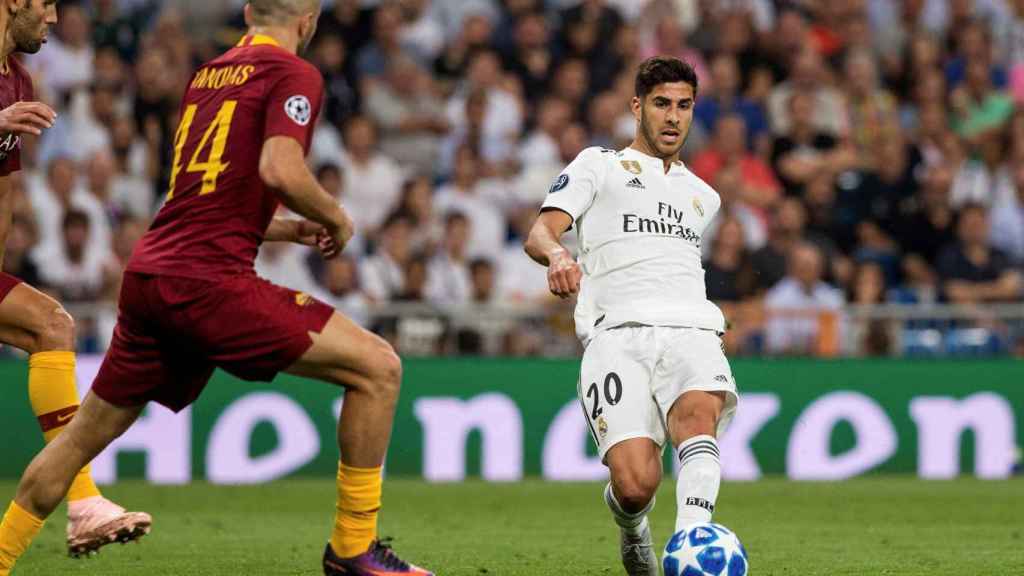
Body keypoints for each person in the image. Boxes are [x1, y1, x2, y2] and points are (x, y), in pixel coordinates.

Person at [0, 1, 433, 575]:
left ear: (251, 11)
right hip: (208, 283)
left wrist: (283, 226)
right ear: (308, 22)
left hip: (152, 274)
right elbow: (282, 170)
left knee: (76, 444)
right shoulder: (293, 73)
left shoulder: (207, 76)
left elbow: (200, 198)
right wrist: (334, 217)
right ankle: (353, 549)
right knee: (377, 368)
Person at [524, 56, 740, 576]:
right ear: (637, 107)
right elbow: (540, 232)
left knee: (696, 421)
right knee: (635, 483)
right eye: (662, 104)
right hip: (617, 334)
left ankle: (690, 547)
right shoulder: (598, 164)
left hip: (692, 329)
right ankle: (633, 527)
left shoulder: (703, 196)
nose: (673, 117)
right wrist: (558, 256)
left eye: (684, 106)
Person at [0, 0, 150, 562]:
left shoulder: (17, 79)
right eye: (45, 5)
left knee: (51, 326)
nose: (55, 19)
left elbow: (5, 193)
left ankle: (83, 502)